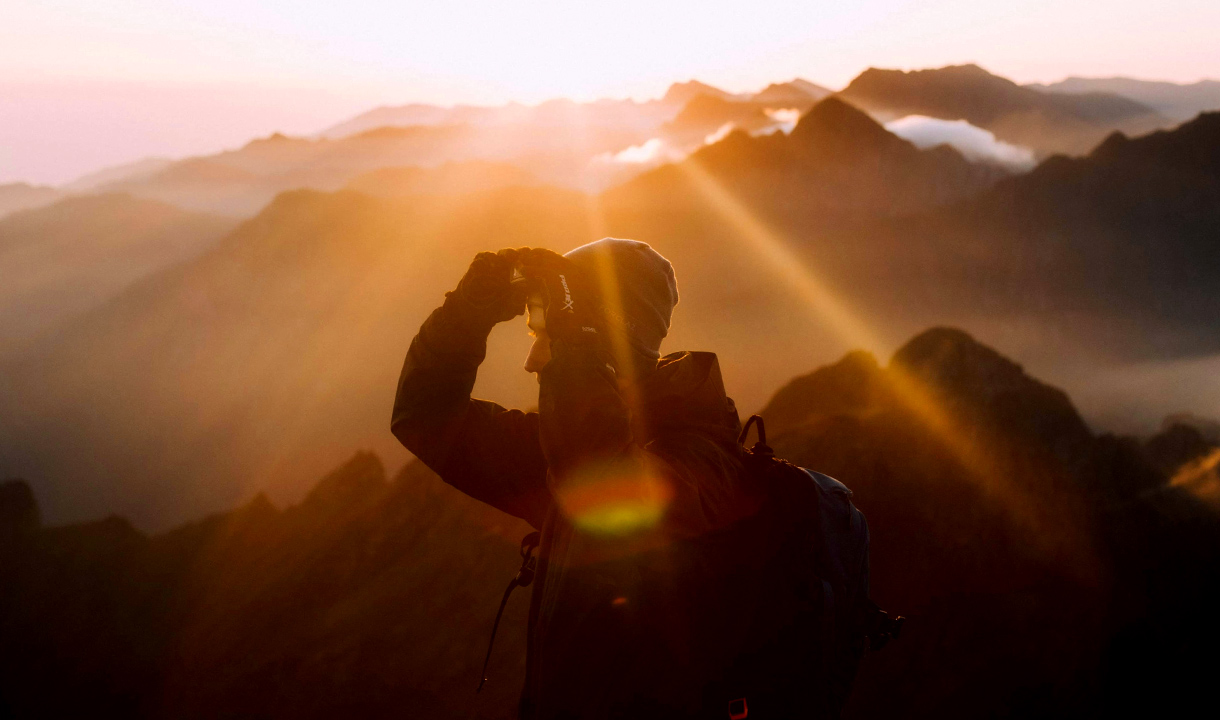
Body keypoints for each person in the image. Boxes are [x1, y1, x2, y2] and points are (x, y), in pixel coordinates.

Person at [391, 238, 748, 719]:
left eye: (548, 337)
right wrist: (467, 315)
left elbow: (599, 477)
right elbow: (424, 416)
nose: (533, 360)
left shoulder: (704, 466)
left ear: (602, 345)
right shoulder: (564, 448)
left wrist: (573, 342)